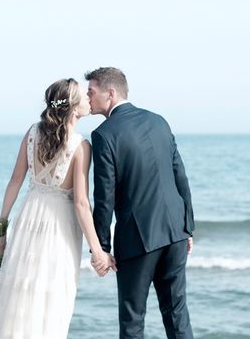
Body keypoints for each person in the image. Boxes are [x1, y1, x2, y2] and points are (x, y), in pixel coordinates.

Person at [0, 78, 116, 339]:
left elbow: (15, 182)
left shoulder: (32, 132)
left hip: (29, 216)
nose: (88, 98)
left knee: (20, 292)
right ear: (72, 106)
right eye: (83, 95)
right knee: (53, 295)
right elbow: (81, 203)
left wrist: (0, 225)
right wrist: (98, 250)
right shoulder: (81, 146)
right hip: (59, 226)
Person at [86, 67, 195, 339]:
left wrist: (101, 247)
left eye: (91, 92)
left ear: (109, 93)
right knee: (177, 315)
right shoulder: (159, 121)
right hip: (175, 232)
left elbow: (104, 196)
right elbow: (180, 176)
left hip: (138, 239)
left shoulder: (104, 135)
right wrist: (187, 227)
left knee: (132, 321)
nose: (87, 98)